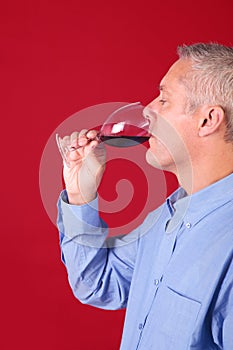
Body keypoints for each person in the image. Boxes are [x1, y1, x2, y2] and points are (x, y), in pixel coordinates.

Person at [57, 43, 233, 349]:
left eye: (164, 99)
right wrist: (80, 194)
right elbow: (98, 284)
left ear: (208, 120)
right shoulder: (166, 217)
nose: (148, 109)